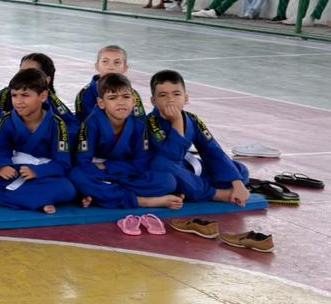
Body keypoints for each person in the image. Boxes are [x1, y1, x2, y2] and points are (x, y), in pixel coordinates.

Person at [0, 68, 77, 213]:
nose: (18, 101)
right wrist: (1, 166)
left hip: (39, 176)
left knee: (66, 188)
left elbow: (62, 164)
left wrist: (36, 171)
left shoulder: (57, 124)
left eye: (25, 95)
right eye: (14, 95)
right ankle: (39, 200)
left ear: (43, 96)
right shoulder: (6, 120)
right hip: (13, 172)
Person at [70, 74, 181, 210]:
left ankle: (105, 195)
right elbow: (82, 163)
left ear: (134, 101)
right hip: (99, 174)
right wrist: (108, 169)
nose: (121, 102)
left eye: (126, 97)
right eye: (112, 98)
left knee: (168, 181)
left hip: (124, 175)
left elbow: (142, 163)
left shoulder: (139, 125)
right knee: (76, 175)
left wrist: (107, 166)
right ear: (101, 103)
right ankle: (142, 201)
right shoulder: (91, 124)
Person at [146, 70, 250, 205]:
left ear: (186, 98)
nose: (170, 99)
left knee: (240, 170)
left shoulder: (192, 119)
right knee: (164, 167)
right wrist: (176, 121)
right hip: (163, 170)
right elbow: (173, 157)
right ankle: (216, 194)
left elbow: (212, 151)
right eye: (163, 95)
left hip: (185, 169)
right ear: (153, 101)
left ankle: (191, 190)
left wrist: (237, 183)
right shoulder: (151, 122)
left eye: (176, 94)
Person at [0, 53, 76, 130]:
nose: (23, 77)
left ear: (46, 80)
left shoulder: (54, 105)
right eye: (21, 72)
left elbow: (72, 127)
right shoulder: (4, 96)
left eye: (31, 73)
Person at [74, 45, 144, 122]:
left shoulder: (132, 94)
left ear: (125, 68)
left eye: (117, 62)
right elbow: (85, 125)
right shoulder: (85, 94)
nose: (111, 66)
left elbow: (140, 121)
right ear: (97, 66)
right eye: (105, 61)